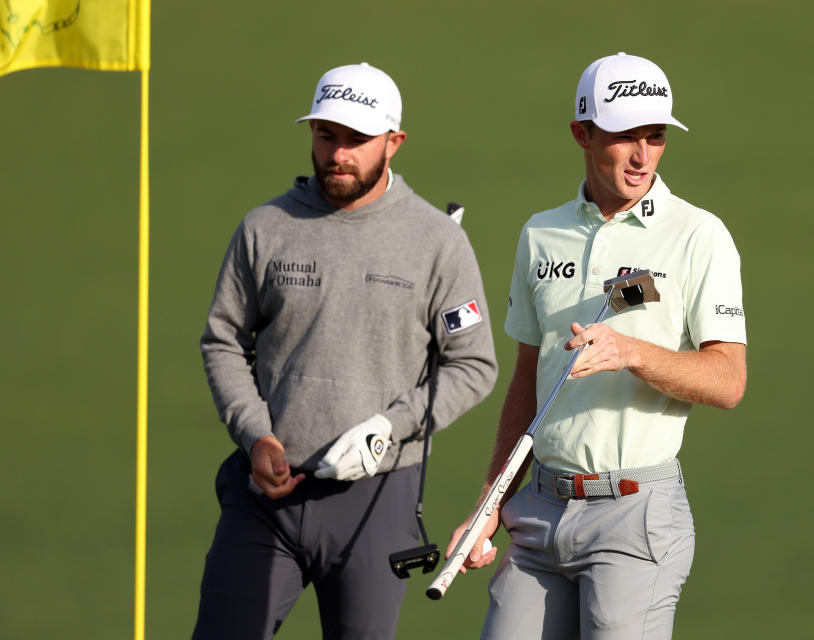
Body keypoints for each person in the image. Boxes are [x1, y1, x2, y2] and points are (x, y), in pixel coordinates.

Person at [447, 52, 747, 639]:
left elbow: (728, 380)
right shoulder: (540, 232)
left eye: (655, 136)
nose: (642, 155)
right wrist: (488, 509)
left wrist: (632, 353)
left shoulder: (698, 235)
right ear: (582, 133)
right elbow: (527, 384)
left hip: (634, 517)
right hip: (537, 512)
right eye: (624, 136)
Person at [193, 61, 497, 640]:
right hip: (266, 496)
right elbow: (224, 341)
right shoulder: (265, 228)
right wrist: (255, 434)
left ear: (394, 142)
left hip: (378, 500)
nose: (338, 154)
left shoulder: (438, 241)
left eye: (357, 140)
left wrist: (391, 425)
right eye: (326, 135)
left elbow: (473, 365)